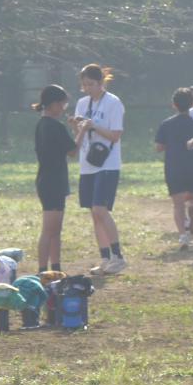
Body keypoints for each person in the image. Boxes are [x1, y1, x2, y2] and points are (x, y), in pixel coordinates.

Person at [73, 64, 126, 275]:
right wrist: (76, 125)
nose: (87, 88)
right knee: (93, 214)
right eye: (84, 85)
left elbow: (115, 135)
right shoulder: (82, 102)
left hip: (107, 163)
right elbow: (80, 130)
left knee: (100, 209)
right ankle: (105, 258)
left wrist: (92, 125)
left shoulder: (113, 102)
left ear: (101, 82)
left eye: (91, 84)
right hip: (87, 164)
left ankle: (118, 256)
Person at [33, 84, 78, 272]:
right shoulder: (54, 125)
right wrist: (80, 130)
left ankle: (56, 267)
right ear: (52, 104)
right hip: (52, 182)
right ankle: (43, 270)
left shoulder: (42, 124)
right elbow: (73, 151)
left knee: (56, 230)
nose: (63, 109)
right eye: (62, 105)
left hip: (51, 180)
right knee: (49, 230)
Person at [155, 87, 193, 251]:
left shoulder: (167, 124)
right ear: (192, 104)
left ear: (174, 104)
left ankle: (183, 235)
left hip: (174, 166)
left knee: (177, 204)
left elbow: (159, 147)